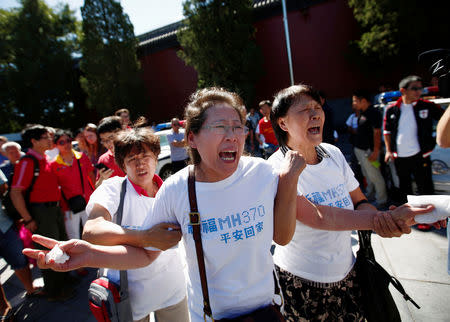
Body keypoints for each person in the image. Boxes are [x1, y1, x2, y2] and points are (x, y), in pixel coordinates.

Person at [24, 87, 307, 322]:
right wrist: (90, 255)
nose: (232, 135)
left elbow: (282, 237)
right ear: (192, 139)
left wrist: (290, 180)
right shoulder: (177, 189)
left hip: (269, 311)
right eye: (220, 126)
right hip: (211, 316)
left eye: (237, 127)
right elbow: (147, 254)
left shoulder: (261, 173)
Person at [268, 84, 442, 321]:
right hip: (303, 282)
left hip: (349, 273)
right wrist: (386, 218)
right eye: (305, 109)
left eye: (317, 107)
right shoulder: (276, 168)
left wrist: (384, 222)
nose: (316, 113)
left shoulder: (332, 153)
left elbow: (360, 202)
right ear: (283, 123)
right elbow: (320, 216)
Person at [83, 127, 189, 322]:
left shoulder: (171, 190)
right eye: (132, 159)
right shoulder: (114, 188)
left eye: (145, 156)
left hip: (173, 288)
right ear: (123, 165)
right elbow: (92, 230)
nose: (140, 164)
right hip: (129, 294)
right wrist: (145, 237)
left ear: (156, 158)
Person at [10, 125, 74, 301]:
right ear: (34, 141)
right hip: (41, 212)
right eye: (45, 137)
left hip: (53, 210)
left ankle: (63, 283)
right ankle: (55, 291)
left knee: (59, 246)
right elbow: (15, 192)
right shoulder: (27, 162)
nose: (50, 139)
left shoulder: (43, 158)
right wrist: (28, 219)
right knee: (49, 251)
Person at [384, 75, 444, 229]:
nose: (419, 91)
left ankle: (428, 220)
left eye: (420, 88)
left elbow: (445, 121)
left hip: (420, 155)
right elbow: (387, 131)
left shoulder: (427, 106)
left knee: (425, 187)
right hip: (400, 157)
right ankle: (407, 219)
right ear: (403, 90)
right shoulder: (392, 109)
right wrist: (389, 151)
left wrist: (435, 139)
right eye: (415, 88)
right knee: (404, 189)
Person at [50, 129, 95, 241]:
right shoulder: (53, 164)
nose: (66, 144)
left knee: (93, 233)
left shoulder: (82, 157)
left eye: (68, 140)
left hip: (88, 202)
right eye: (62, 142)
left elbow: (92, 177)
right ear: (56, 145)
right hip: (68, 206)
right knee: (73, 237)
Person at [352, 89, 387, 208]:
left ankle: (381, 199)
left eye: (356, 101)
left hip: (369, 151)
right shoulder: (363, 112)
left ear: (364, 100)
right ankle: (371, 194)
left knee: (375, 175)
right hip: (360, 150)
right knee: (367, 174)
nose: (354, 104)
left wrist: (376, 151)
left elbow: (377, 133)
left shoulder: (373, 113)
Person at [97, 116, 125, 183]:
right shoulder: (103, 159)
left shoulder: (134, 152)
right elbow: (97, 188)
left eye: (111, 137)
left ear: (121, 133)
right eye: (104, 140)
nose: (108, 143)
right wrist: (102, 178)